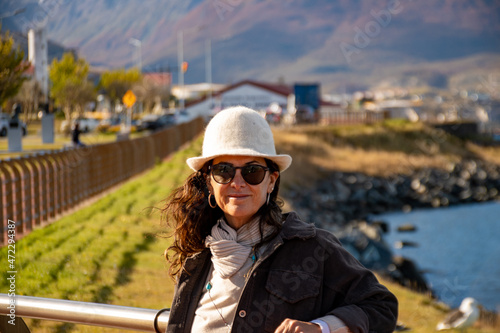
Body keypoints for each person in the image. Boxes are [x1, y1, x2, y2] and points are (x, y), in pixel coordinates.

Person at [162, 106, 398, 333]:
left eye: (252, 171)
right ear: (209, 182)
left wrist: (321, 328)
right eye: (223, 171)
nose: (237, 183)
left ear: (272, 181)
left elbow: (381, 307)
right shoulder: (196, 258)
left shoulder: (313, 250)